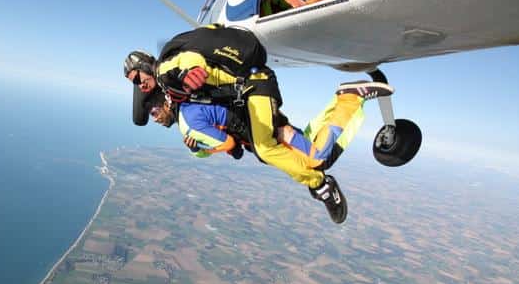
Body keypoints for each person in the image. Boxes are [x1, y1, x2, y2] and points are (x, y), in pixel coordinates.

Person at [123, 24, 392, 223]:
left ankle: (320, 185)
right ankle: (348, 98)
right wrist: (200, 147)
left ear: (146, 66)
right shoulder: (180, 97)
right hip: (254, 99)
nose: (140, 86)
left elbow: (189, 61)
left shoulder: (165, 72)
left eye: (137, 79)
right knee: (317, 156)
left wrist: (195, 72)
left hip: (254, 87)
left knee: (266, 149)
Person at [144, 80, 391, 224]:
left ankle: (350, 98)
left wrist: (204, 152)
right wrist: (206, 148)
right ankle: (341, 100)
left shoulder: (188, 122)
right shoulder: (191, 106)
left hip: (265, 132)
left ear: (166, 103)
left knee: (318, 159)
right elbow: (229, 139)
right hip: (262, 124)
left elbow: (228, 144)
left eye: (154, 112)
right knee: (312, 147)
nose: (154, 119)